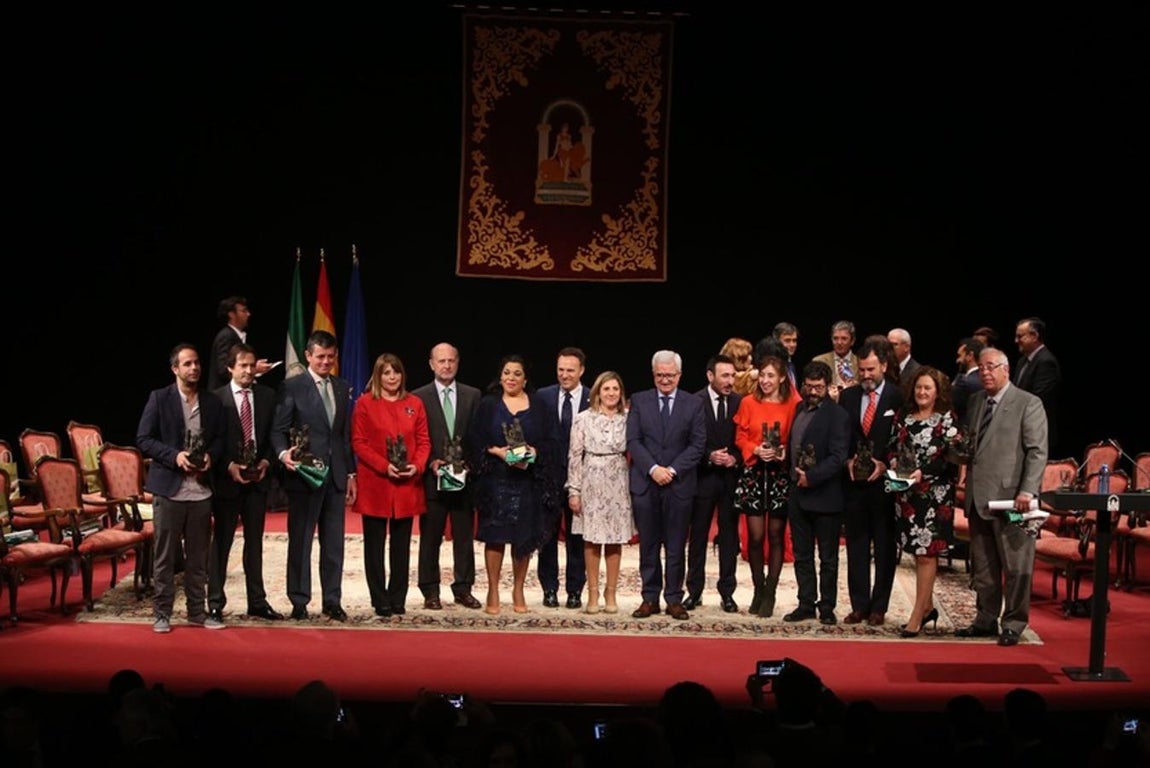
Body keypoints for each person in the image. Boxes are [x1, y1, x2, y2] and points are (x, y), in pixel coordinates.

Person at [959, 347, 1047, 646]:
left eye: (991, 367)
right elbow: (972, 448)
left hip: (1012, 500)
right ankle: (985, 619)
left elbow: (1037, 451)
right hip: (978, 497)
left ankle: (1013, 622)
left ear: (1006, 369)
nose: (985, 372)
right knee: (984, 567)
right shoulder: (975, 401)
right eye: (981, 367)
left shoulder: (1028, 403)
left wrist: (1028, 490)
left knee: (1016, 565)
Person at [136, 343, 225, 633]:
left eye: (197, 362)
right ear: (175, 368)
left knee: (199, 558)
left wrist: (211, 455)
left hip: (201, 491)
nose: (194, 368)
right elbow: (144, 438)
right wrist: (174, 456)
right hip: (170, 489)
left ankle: (196, 613)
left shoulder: (211, 402)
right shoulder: (160, 398)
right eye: (187, 364)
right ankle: (162, 613)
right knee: (165, 557)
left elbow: (221, 439)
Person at [271, 330, 357, 622]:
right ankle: (299, 600)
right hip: (304, 476)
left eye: (330, 357)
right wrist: (284, 455)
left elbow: (343, 436)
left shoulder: (343, 387)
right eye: (320, 357)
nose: (326, 362)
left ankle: (332, 600)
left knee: (333, 545)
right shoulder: (292, 387)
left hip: (335, 478)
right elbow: (278, 429)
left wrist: (350, 474)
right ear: (308, 356)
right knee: (301, 542)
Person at [466, 355, 558, 614]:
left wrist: (533, 452)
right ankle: (493, 589)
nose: (511, 378)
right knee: (494, 537)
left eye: (517, 373)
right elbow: (474, 441)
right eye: (506, 373)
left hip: (527, 482)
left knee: (523, 538)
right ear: (500, 376)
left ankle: (518, 589)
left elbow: (551, 442)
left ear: (525, 379)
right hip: (495, 481)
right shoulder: (488, 405)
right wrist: (498, 452)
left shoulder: (539, 405)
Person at [626, 350, 707, 620]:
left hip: (679, 484)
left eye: (669, 375)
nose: (665, 380)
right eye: (660, 375)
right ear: (653, 375)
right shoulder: (639, 400)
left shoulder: (693, 403)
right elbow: (633, 441)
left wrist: (670, 470)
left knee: (675, 546)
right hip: (646, 484)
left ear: (679, 375)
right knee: (648, 545)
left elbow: (697, 445)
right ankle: (649, 598)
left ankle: (674, 598)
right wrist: (653, 469)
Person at [208, 342, 282, 624]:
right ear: (230, 368)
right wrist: (228, 466)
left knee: (255, 543)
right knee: (222, 543)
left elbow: (273, 435)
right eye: (243, 366)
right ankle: (215, 602)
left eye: (252, 365)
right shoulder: (216, 399)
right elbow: (213, 440)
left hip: (257, 481)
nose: (249, 370)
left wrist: (265, 462)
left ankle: (257, 602)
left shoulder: (267, 396)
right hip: (228, 482)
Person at [351, 353, 431, 618]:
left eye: (396, 372)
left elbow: (423, 441)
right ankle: (380, 598)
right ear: (378, 376)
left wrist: (417, 466)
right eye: (386, 373)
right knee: (374, 546)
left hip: (407, 485)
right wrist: (384, 466)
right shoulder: (364, 404)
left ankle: (397, 597)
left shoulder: (415, 403)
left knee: (401, 546)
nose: (392, 377)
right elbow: (359, 442)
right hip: (377, 484)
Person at [888, 366, 962, 637]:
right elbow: (891, 447)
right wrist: (895, 465)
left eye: (927, 388)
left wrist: (924, 473)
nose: (922, 392)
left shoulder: (948, 421)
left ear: (937, 391)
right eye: (919, 387)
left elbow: (952, 461)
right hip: (906, 495)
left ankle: (917, 615)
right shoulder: (904, 417)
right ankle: (929, 607)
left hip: (934, 498)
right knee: (915, 552)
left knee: (925, 555)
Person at [412, 342, 483, 610]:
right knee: (431, 537)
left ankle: (463, 588)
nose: (446, 365)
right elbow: (416, 438)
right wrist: (430, 462)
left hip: (464, 479)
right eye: (441, 361)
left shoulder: (472, 395)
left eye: (451, 360)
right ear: (431, 364)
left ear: (458, 362)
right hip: (432, 479)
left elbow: (478, 435)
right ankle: (430, 591)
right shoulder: (418, 397)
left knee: (464, 537)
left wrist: (470, 463)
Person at [839, 338, 904, 626]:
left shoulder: (897, 397)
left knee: (885, 546)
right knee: (856, 545)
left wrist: (885, 462)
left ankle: (879, 607)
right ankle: (859, 606)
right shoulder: (849, 397)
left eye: (871, 369)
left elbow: (904, 440)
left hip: (885, 486)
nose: (866, 375)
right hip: (854, 484)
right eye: (861, 369)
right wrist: (848, 460)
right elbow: (842, 438)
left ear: (884, 366)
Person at [783, 360, 850, 625]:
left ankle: (827, 606)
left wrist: (811, 477)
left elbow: (838, 457)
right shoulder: (799, 408)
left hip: (826, 497)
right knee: (801, 555)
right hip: (797, 496)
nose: (812, 392)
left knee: (828, 558)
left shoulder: (838, 416)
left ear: (828, 387)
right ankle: (806, 603)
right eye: (809, 386)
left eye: (818, 387)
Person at [732, 356, 796, 617]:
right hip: (754, 473)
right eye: (763, 376)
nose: (766, 381)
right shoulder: (748, 402)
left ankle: (770, 591)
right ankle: (759, 589)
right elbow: (740, 436)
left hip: (780, 475)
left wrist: (784, 453)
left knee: (775, 535)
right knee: (756, 537)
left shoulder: (794, 403)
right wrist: (754, 449)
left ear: (782, 377)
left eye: (771, 376)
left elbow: (799, 437)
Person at [566, 371, 633, 614]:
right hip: (591, 480)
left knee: (615, 539)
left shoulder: (628, 419)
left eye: (615, 389)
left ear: (621, 392)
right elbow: (574, 456)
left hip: (618, 480)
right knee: (592, 539)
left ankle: (611, 592)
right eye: (606, 389)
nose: (611, 393)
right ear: (597, 392)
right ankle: (593, 592)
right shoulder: (583, 419)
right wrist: (574, 491)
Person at [684, 354, 742, 612]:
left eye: (733, 375)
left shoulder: (741, 402)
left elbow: (746, 439)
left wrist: (735, 458)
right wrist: (709, 455)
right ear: (710, 376)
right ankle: (693, 592)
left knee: (729, 539)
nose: (730, 381)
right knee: (697, 538)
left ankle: (727, 592)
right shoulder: (693, 402)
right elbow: (686, 440)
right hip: (702, 479)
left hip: (730, 480)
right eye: (725, 376)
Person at [536, 347, 590, 609]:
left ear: (581, 370)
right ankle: (549, 589)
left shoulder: (594, 397)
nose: (565, 375)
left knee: (576, 536)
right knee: (546, 536)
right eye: (561, 370)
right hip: (548, 477)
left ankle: (575, 590)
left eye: (570, 370)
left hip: (582, 478)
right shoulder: (543, 396)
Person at [1013, 316, 1061, 454]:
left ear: (1034, 336)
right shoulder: (1022, 361)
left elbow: (1036, 399)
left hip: (1037, 433)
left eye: (1020, 336)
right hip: (1020, 431)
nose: (1016, 341)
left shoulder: (1046, 362)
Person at [207, 296, 273, 388]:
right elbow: (223, 370)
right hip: (225, 397)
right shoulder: (226, 336)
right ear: (231, 314)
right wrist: (254, 369)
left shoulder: (235, 335)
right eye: (244, 311)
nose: (248, 314)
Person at [812, 320, 859, 395]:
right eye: (835, 338)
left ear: (852, 341)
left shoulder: (860, 363)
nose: (839, 342)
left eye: (844, 338)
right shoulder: (819, 361)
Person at [951, 336, 985, 422]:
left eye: (960, 356)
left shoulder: (964, 382)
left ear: (970, 355)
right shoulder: (985, 379)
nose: (957, 360)